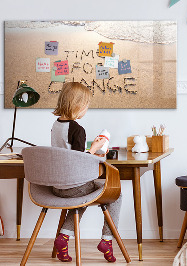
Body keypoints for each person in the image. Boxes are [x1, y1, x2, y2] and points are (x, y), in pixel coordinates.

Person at [51, 82, 121, 263]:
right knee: (116, 194)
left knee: (81, 197)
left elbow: (68, 154)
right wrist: (96, 148)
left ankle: (63, 238)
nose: (86, 109)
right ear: (78, 105)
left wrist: (91, 149)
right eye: (86, 105)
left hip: (57, 186)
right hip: (74, 186)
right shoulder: (77, 129)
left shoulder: (56, 125)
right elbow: (79, 161)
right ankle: (107, 240)